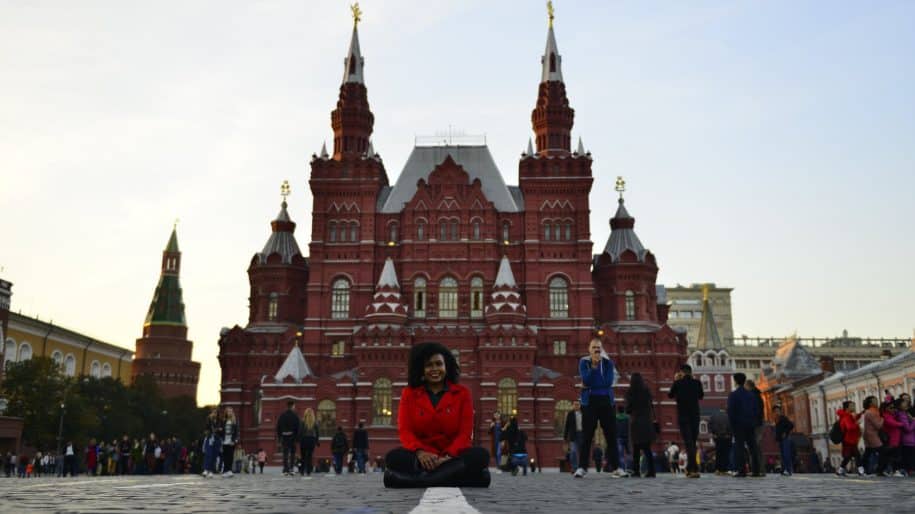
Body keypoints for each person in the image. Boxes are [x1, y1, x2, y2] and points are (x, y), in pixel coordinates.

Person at [383, 342, 490, 488]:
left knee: (480, 455)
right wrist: (421, 453)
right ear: (422, 369)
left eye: (439, 364)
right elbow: (405, 430)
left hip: (452, 456)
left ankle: (418, 480)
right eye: (429, 365)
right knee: (393, 458)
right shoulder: (409, 394)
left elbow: (465, 434)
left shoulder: (462, 393)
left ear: (446, 367)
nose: (434, 369)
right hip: (422, 456)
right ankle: (460, 477)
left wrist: (447, 457)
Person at [574, 338, 623, 478]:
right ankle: (582, 468)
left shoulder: (608, 363)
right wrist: (594, 368)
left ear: (601, 349)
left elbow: (607, 382)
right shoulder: (584, 362)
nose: (596, 350)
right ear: (589, 349)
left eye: (598, 347)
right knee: (587, 436)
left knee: (611, 435)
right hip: (589, 402)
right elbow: (587, 378)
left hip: (606, 401)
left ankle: (617, 467)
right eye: (594, 347)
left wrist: (588, 384)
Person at [668, 364, 704, 478]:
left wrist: (676, 381)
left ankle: (692, 469)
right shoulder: (697, 383)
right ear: (691, 372)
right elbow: (701, 396)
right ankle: (693, 468)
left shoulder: (678, 383)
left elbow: (670, 395)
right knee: (692, 442)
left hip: (683, 416)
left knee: (688, 443)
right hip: (695, 416)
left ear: (681, 372)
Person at [727, 372, 760, 477]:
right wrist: (754, 422)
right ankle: (756, 470)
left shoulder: (733, 395)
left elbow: (731, 411)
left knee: (739, 447)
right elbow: (756, 410)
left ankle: (742, 470)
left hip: (738, 425)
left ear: (735, 381)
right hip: (750, 424)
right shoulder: (751, 394)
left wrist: (732, 425)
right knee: (753, 447)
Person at [624, 372, 657, 478]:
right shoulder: (646, 391)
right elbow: (651, 405)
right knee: (647, 449)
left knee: (636, 449)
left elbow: (628, 409)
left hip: (636, 422)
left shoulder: (630, 392)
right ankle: (652, 471)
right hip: (647, 422)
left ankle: (636, 471)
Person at [836, 400, 864, 476]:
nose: (854, 407)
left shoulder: (848, 415)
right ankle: (861, 471)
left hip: (851, 440)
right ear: (847, 407)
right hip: (848, 440)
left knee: (848, 457)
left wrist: (861, 414)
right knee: (856, 455)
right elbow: (849, 427)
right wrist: (857, 423)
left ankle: (840, 471)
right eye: (852, 405)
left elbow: (853, 419)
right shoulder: (846, 417)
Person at [861, 396, 885, 475]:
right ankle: (879, 470)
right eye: (875, 400)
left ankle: (862, 468)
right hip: (872, 435)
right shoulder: (871, 412)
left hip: (869, 434)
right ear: (870, 403)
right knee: (882, 452)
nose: (877, 402)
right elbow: (878, 425)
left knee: (868, 453)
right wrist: (882, 418)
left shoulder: (871, 411)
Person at [276, 399, 300, 476]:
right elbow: (298, 427)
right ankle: (291, 469)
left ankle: (285, 469)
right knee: (292, 454)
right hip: (292, 437)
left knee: (285, 454)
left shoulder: (282, 415)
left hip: (284, 437)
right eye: (294, 406)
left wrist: (279, 437)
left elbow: (278, 427)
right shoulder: (295, 415)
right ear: (292, 406)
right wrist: (297, 437)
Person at [708, 408, 732, 475]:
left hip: (717, 437)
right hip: (726, 437)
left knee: (718, 453)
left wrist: (713, 434)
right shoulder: (729, 416)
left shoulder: (713, 416)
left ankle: (718, 469)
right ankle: (725, 469)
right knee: (726, 453)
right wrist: (730, 434)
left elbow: (709, 425)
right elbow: (731, 426)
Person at [773, 406, 795, 476]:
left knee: (786, 454)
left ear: (780, 411)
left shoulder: (783, 418)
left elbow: (791, 425)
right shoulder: (776, 419)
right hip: (780, 439)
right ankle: (783, 469)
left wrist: (785, 432)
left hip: (785, 438)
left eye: (778, 411)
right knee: (782, 455)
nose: (777, 412)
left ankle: (788, 470)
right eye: (775, 411)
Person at [563, 401, 583, 473]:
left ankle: (581, 467)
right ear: (573, 405)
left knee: (582, 452)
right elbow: (567, 426)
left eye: (577, 404)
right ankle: (574, 468)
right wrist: (565, 437)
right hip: (574, 435)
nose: (576, 406)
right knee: (573, 451)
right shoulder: (570, 414)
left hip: (582, 434)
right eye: (575, 404)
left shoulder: (584, 413)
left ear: (580, 405)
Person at [299, 407, 320, 476]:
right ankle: (308, 471)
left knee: (303, 456)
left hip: (304, 440)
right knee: (310, 456)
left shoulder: (302, 421)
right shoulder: (315, 422)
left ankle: (302, 470)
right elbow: (317, 433)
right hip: (311, 440)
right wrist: (317, 441)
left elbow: (300, 432)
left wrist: (298, 439)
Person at [898, 395, 915, 475]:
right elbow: (908, 429)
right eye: (904, 402)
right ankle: (910, 471)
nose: (906, 403)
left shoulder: (905, 413)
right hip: (908, 440)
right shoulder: (902, 415)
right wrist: (914, 421)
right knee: (910, 457)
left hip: (910, 439)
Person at [221, 407, 238, 477]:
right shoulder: (223, 421)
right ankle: (225, 471)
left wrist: (235, 440)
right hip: (224, 441)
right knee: (225, 457)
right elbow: (221, 431)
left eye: (231, 411)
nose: (230, 413)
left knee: (230, 456)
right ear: (226, 413)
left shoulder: (234, 421)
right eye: (228, 411)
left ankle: (229, 471)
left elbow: (237, 431)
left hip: (231, 441)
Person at [616, 405, 630, 472]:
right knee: (628, 453)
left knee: (620, 454)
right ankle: (629, 467)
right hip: (627, 437)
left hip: (618, 437)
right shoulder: (628, 417)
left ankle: (622, 468)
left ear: (618, 410)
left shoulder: (615, 417)